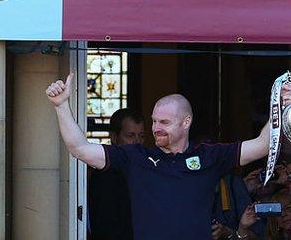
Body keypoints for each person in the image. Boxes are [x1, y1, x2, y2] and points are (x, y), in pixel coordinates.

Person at [46, 74, 271, 239]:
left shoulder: (210, 155)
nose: (156, 128)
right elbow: (79, 149)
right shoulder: (135, 157)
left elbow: (263, 145)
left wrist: (287, 104)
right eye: (154, 121)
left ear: (186, 122)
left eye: (164, 122)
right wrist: (61, 106)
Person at [88, 108, 144, 240]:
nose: (137, 142)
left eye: (141, 136)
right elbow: (104, 226)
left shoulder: (145, 166)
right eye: (130, 136)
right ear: (114, 137)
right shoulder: (105, 175)